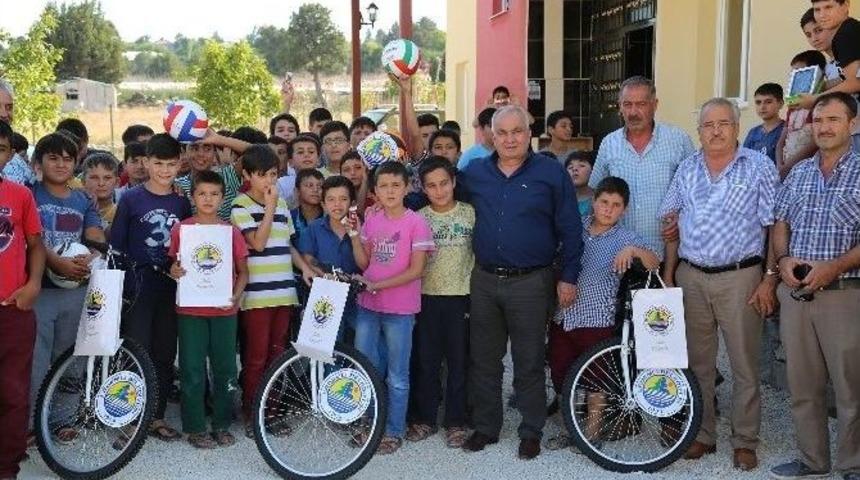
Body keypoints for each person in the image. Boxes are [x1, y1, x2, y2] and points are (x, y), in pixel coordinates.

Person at [660, 98, 779, 471]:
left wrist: (769, 279)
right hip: (692, 276)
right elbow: (670, 218)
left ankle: (744, 441)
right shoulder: (686, 168)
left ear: (736, 127)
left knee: (744, 365)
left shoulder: (759, 166)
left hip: (741, 277)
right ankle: (702, 435)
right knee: (699, 365)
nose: (715, 131)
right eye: (708, 125)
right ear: (699, 131)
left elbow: (774, 224)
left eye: (723, 123)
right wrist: (669, 272)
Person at [459, 105, 583, 460]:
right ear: (490, 136)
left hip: (532, 281)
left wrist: (569, 277)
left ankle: (531, 429)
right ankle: (486, 426)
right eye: (503, 133)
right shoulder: (475, 173)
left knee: (528, 360)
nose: (510, 139)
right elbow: (441, 198)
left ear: (529, 134)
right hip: (484, 280)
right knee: (484, 360)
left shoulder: (549, 173)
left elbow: (571, 228)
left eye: (518, 131)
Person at [769, 92, 860, 480]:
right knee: (803, 386)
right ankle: (812, 460)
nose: (823, 127)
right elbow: (779, 221)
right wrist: (783, 260)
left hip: (845, 295)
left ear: (852, 125)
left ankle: (853, 465)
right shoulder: (801, 172)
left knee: (851, 389)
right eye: (818, 121)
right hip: (797, 295)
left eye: (833, 120)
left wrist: (834, 268)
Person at [545, 176, 659, 450]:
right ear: (593, 202)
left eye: (616, 205)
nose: (608, 209)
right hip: (564, 316)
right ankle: (570, 428)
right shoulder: (576, 227)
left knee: (597, 379)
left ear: (624, 209)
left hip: (598, 319)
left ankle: (590, 435)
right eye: (604, 202)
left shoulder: (626, 238)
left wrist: (633, 251)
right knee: (561, 374)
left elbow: (655, 261)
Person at [350, 161, 434, 454]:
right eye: (383, 186)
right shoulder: (371, 220)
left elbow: (416, 270)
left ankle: (394, 429)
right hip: (368, 306)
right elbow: (365, 264)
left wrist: (378, 285)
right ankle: (368, 424)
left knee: (397, 374)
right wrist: (354, 236)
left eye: (395, 185)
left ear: (407, 187)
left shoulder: (417, 222)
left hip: (400, 309)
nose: (389, 191)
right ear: (374, 191)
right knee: (366, 367)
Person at [111, 133, 191, 442]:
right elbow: (116, 246)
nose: (165, 170)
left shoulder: (182, 203)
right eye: (158, 163)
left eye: (171, 164)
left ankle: (155, 416)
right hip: (137, 288)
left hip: (170, 287)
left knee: (164, 351)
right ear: (146, 162)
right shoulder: (131, 199)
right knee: (134, 349)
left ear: (179, 165)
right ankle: (127, 416)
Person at [230, 144, 313, 436]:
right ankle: (253, 411)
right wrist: (268, 207)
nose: (269, 181)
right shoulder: (240, 206)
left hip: (283, 291)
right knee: (255, 357)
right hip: (257, 295)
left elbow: (286, 244)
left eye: (274, 175)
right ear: (248, 175)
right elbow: (258, 243)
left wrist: (303, 267)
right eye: (263, 175)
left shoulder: (279, 205)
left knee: (278, 354)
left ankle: (273, 410)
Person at [29, 132, 105, 437]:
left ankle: (62, 420)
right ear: (39, 163)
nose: (61, 164)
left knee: (70, 357)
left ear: (76, 163)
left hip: (75, 289)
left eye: (67, 159)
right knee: (36, 359)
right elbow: (29, 238)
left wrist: (92, 255)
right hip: (40, 290)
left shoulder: (83, 199)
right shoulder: (28, 194)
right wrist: (54, 261)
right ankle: (31, 423)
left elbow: (95, 235)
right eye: (53, 158)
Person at [167, 170, 249, 450]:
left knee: (225, 368)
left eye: (214, 194)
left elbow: (244, 272)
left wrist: (235, 298)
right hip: (190, 310)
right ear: (192, 197)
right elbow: (173, 266)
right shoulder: (182, 230)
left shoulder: (231, 232)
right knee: (191, 368)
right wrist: (174, 270)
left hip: (224, 311)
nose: (208, 199)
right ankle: (195, 425)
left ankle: (222, 423)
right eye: (202, 193)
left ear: (223, 198)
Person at [405, 157, 473, 449]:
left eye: (444, 183)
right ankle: (425, 418)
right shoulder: (418, 217)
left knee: (460, 363)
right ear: (423, 188)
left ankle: (457, 421)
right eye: (431, 185)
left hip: (462, 296)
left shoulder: (470, 213)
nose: (439, 190)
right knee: (427, 362)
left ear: (454, 182)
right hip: (427, 297)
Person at [590, 76, 695, 256]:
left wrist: (682, 219)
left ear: (655, 105)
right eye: (627, 104)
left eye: (641, 104)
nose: (633, 112)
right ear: (620, 106)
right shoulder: (609, 143)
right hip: (618, 255)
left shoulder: (678, 140)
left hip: (665, 252)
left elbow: (695, 191)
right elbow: (597, 191)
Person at [0, 119, 45, 480]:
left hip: (13, 311)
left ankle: (7, 465)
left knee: (13, 393)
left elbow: (36, 245)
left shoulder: (19, 195)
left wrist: (32, 286)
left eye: (1, 149)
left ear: (10, 153)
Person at [298, 175, 366, 339]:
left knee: (364, 345)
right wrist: (327, 275)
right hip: (326, 295)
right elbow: (308, 260)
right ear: (323, 205)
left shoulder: (363, 226)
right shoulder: (314, 229)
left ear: (352, 203)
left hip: (358, 297)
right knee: (330, 347)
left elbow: (365, 265)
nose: (337, 204)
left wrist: (356, 236)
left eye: (343, 199)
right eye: (331, 199)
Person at [174, 130, 249, 222]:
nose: (201, 154)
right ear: (186, 152)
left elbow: (259, 152)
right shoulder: (178, 185)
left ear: (215, 152)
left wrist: (219, 139)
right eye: (194, 148)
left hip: (225, 235)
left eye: (207, 148)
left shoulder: (228, 176)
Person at [776, 50, 828, 179]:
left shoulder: (821, 105)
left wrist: (789, 165)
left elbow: (817, 141)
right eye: (793, 73)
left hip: (810, 169)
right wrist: (780, 165)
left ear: (817, 73)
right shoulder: (793, 107)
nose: (795, 78)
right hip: (787, 169)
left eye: (800, 73)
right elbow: (782, 139)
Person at [277, 133, 323, 207]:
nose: (306, 155)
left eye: (311, 152)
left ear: (318, 160)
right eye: (300, 152)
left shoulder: (326, 181)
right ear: (290, 162)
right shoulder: (281, 184)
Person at [744, 83, 786, 163]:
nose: (762, 107)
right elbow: (745, 161)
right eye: (758, 102)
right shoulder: (753, 133)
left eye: (768, 102)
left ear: (780, 104)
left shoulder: (786, 130)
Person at [81, 152, 120, 234]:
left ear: (117, 182)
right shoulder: (75, 211)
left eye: (107, 178)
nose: (101, 183)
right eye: (94, 178)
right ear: (83, 182)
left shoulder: (122, 214)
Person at [290, 168, 324, 244]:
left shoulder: (330, 217)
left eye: (320, 186)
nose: (315, 189)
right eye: (309, 185)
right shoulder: (290, 217)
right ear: (297, 191)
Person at [565, 150, 595, 217]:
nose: (574, 169)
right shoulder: (561, 200)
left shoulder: (600, 200)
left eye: (582, 165)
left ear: (593, 171)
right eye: (570, 167)